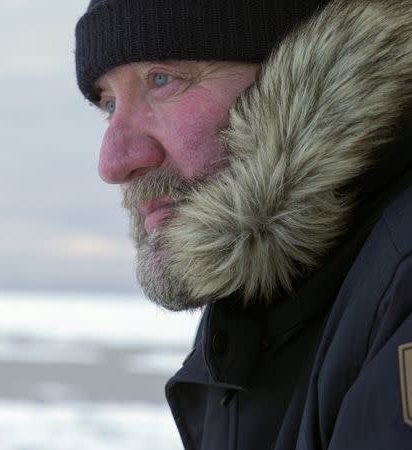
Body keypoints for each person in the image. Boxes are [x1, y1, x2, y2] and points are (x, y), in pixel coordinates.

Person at [74, 0, 412, 448]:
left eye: (162, 79)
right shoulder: (250, 306)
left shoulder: (401, 277)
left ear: (306, 71)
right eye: (109, 103)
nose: (113, 161)